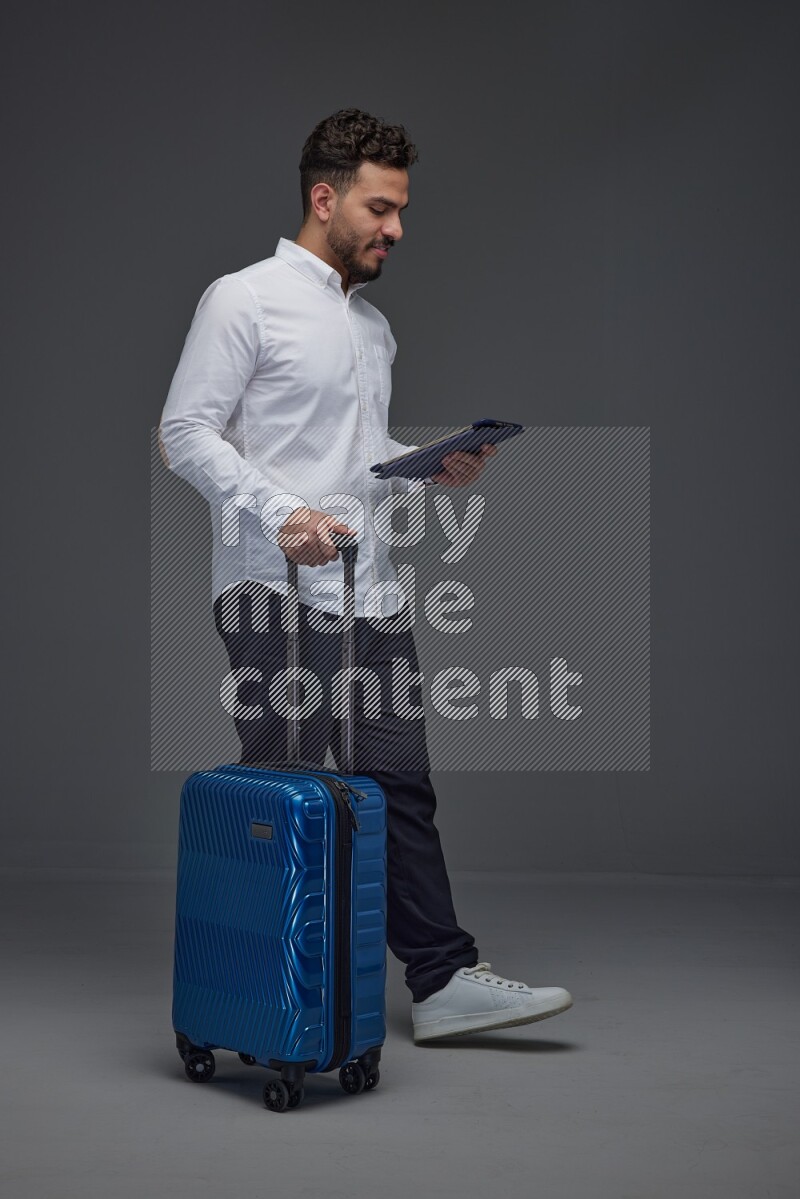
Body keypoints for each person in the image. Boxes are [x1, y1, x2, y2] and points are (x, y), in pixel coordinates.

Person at [158, 107, 572, 1042]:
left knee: (398, 786)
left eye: (401, 210)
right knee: (292, 789)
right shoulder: (245, 298)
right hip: (274, 587)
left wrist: (426, 460)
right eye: (382, 208)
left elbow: (345, 456)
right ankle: (278, 996)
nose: (397, 229)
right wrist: (284, 515)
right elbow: (184, 431)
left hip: (368, 589)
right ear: (324, 197)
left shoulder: (372, 328)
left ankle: (442, 982)